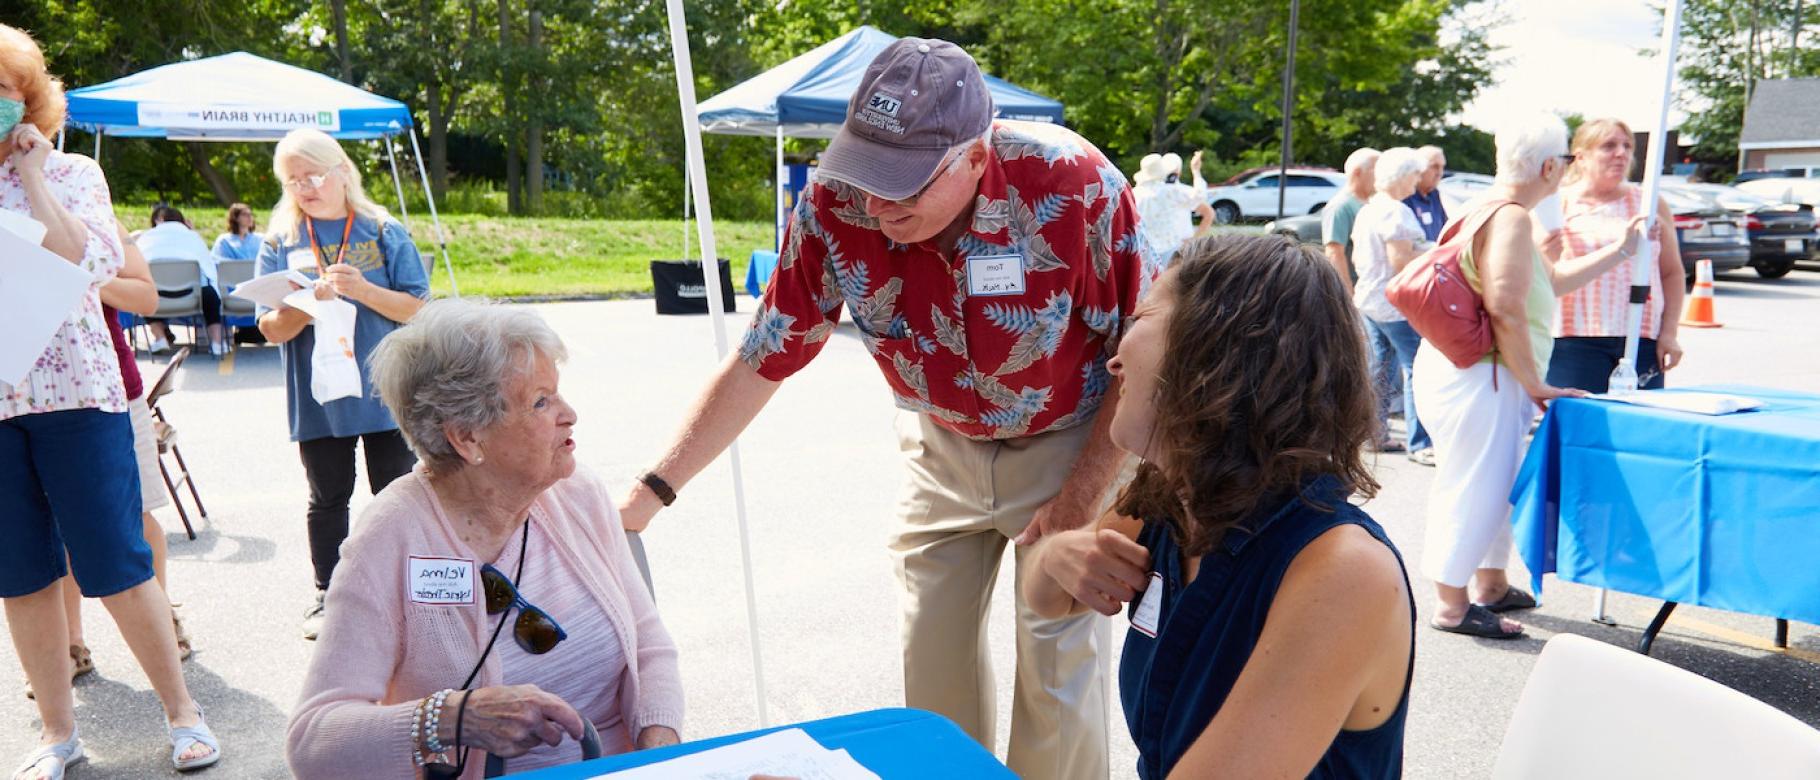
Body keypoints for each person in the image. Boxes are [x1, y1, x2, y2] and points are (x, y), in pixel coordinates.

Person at [618, 38, 1153, 780]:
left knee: (1057, 664)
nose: (876, 203)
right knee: (930, 663)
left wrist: (1081, 502)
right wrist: (651, 493)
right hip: (938, 441)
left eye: (903, 184)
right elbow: (764, 354)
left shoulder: (1075, 184)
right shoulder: (836, 204)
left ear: (974, 155)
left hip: (1070, 439)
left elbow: (1148, 359)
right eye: (867, 173)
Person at [1023, 234, 1413, 779]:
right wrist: (1058, 553)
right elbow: (1046, 600)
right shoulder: (1167, 500)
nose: (1113, 361)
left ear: (1213, 349)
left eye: (1141, 318)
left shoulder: (1343, 573)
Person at [286, 300, 683, 779]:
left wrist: (658, 756)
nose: (570, 414)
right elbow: (313, 743)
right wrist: (452, 718)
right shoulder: (389, 539)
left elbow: (649, 645)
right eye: (541, 401)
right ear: (467, 438)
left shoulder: (576, 495)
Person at [0, 22, 220, 777]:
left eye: (1, 91)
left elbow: (85, 260)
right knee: (21, 573)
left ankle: (184, 714)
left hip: (77, 395)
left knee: (117, 560)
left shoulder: (72, 175)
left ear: (27, 100)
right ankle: (58, 734)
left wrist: (29, 175)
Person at [1412, 113, 1648, 639]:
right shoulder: (1514, 218)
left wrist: (1620, 251)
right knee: (1475, 484)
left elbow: (1551, 284)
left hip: (1473, 370)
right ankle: (1452, 604)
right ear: (1549, 166)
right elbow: (1506, 307)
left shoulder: (1491, 210)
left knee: (1493, 482)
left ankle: (1489, 585)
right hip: (1484, 374)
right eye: (1566, 158)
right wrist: (1535, 383)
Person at [256, 127, 429, 641]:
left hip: (385, 390)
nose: (306, 187)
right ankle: (328, 597)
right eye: (293, 180)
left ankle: (403, 592)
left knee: (395, 494)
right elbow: (268, 328)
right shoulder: (281, 240)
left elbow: (419, 309)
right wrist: (301, 307)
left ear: (342, 172)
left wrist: (366, 291)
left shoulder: (382, 230)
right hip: (320, 399)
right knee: (328, 497)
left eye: (314, 175)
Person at [40, 227, 194, 704]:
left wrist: (81, 276)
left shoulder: (89, 208)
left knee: (140, 516)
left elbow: (146, 296)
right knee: (55, 532)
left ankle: (162, 621)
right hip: (27, 400)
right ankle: (68, 645)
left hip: (112, 394)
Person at [1546, 118, 1685, 392]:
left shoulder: (1649, 202)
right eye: (1608, 146)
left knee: (1640, 426)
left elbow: (1672, 272)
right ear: (1582, 157)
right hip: (1574, 339)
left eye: (1627, 146)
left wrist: (1668, 333)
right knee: (1584, 426)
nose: (1621, 153)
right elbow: (1543, 271)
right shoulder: (1559, 203)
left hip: (1640, 336)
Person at [1350, 147, 1434, 464]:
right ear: (1402, 175)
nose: (1418, 179)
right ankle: (1421, 442)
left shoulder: (1370, 209)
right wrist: (1433, 252)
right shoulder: (1397, 212)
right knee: (1416, 369)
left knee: (1379, 368)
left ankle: (1374, 433)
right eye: (1415, 173)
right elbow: (1401, 261)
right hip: (1395, 303)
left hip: (1369, 298)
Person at [138, 205, 229, 356]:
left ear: (158, 219)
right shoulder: (192, 237)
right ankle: (217, 341)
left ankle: (160, 337)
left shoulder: (146, 238)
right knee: (209, 293)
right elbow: (209, 269)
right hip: (191, 298)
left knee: (145, 291)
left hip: (158, 298)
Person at [1132, 150, 1214, 266]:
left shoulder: (1134, 193)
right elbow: (1200, 195)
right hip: (1169, 249)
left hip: (1143, 250)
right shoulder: (1170, 191)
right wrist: (1196, 171)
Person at [1320, 147, 1379, 297]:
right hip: (1358, 293)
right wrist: (1348, 296)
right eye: (1376, 170)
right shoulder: (1340, 207)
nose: (1381, 175)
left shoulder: (1372, 203)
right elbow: (1334, 253)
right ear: (1358, 172)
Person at [1403, 145, 1449, 243]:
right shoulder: (1404, 196)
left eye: (1442, 167)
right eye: (1434, 167)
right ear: (1419, 168)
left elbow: (1446, 229)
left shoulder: (1434, 195)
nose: (1440, 173)